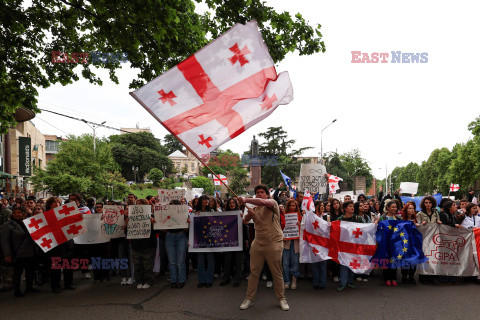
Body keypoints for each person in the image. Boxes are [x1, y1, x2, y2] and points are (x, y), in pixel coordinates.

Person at [238, 184, 289, 311]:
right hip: (258, 244)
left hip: (274, 243)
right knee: (254, 273)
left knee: (277, 273)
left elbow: (262, 202)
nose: (259, 194)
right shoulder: (255, 208)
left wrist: (245, 199)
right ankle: (249, 298)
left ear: (267, 194)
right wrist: (249, 215)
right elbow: (245, 221)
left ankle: (281, 299)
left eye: (262, 192)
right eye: (257, 193)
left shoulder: (272, 203)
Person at [0, 206, 41, 297]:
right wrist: (7, 254)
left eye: (19, 212)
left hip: (30, 252)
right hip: (18, 253)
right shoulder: (7, 225)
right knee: (17, 273)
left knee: (30, 271)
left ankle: (29, 287)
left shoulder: (29, 222)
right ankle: (17, 290)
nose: (17, 214)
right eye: (15, 213)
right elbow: (5, 241)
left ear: (24, 213)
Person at [336, 201, 364, 291]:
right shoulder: (340, 219)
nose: (352, 208)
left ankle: (350, 281)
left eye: (353, 206)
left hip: (355, 245)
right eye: (350, 206)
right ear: (345, 208)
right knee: (344, 264)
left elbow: (365, 228)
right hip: (344, 246)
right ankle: (343, 283)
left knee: (353, 263)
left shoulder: (358, 218)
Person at [416, 196, 441, 284]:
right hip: (424, 238)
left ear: (432, 203)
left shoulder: (436, 213)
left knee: (433, 256)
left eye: (429, 203)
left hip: (434, 238)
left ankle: (432, 276)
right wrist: (421, 224)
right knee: (425, 256)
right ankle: (423, 276)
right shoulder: (420, 213)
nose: (428, 204)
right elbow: (417, 225)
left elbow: (439, 222)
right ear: (423, 204)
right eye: (426, 203)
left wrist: (439, 222)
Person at [220, 198, 245, 287]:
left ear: (236, 204)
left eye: (233, 203)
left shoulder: (241, 213)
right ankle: (226, 278)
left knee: (238, 261)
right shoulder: (224, 214)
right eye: (229, 203)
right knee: (227, 261)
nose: (231, 204)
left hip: (238, 240)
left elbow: (245, 227)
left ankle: (237, 279)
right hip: (227, 241)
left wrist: (245, 240)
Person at [165, 199, 188, 289]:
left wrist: (187, 223)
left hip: (181, 237)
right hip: (169, 237)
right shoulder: (166, 214)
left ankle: (181, 280)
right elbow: (163, 229)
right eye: (171, 205)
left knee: (180, 261)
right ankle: (173, 280)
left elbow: (186, 229)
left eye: (174, 205)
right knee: (171, 262)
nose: (172, 207)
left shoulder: (184, 214)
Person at [194, 195, 215, 288]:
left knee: (210, 260)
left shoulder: (212, 211)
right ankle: (201, 280)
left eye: (207, 199)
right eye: (204, 199)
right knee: (200, 261)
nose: (206, 201)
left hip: (209, 239)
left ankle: (209, 279)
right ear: (200, 201)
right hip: (199, 239)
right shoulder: (195, 212)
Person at [281, 199, 301, 290]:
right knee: (285, 263)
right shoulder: (283, 216)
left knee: (295, 262)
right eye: (290, 206)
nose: (292, 207)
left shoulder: (299, 216)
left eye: (294, 206)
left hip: (296, 242)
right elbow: (279, 227)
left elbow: (304, 229)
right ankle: (286, 281)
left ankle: (294, 279)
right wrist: (282, 236)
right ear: (288, 206)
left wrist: (300, 225)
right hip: (286, 242)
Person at [380, 201, 399, 286]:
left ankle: (393, 277)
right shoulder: (383, 217)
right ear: (388, 208)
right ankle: (387, 278)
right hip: (385, 242)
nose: (394, 209)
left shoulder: (398, 218)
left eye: (395, 207)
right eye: (393, 207)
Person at [401, 201, 419, 284]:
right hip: (404, 241)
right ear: (406, 210)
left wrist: (417, 225)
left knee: (414, 259)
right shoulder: (402, 219)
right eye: (409, 208)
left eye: (413, 208)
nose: (411, 210)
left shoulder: (416, 219)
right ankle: (404, 275)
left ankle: (411, 276)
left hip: (414, 242)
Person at [311, 202, 327, 289]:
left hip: (324, 244)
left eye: (323, 206)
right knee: (314, 264)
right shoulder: (311, 218)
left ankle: (322, 283)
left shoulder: (326, 217)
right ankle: (315, 282)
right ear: (316, 207)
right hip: (314, 243)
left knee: (323, 264)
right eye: (320, 206)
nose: (322, 207)